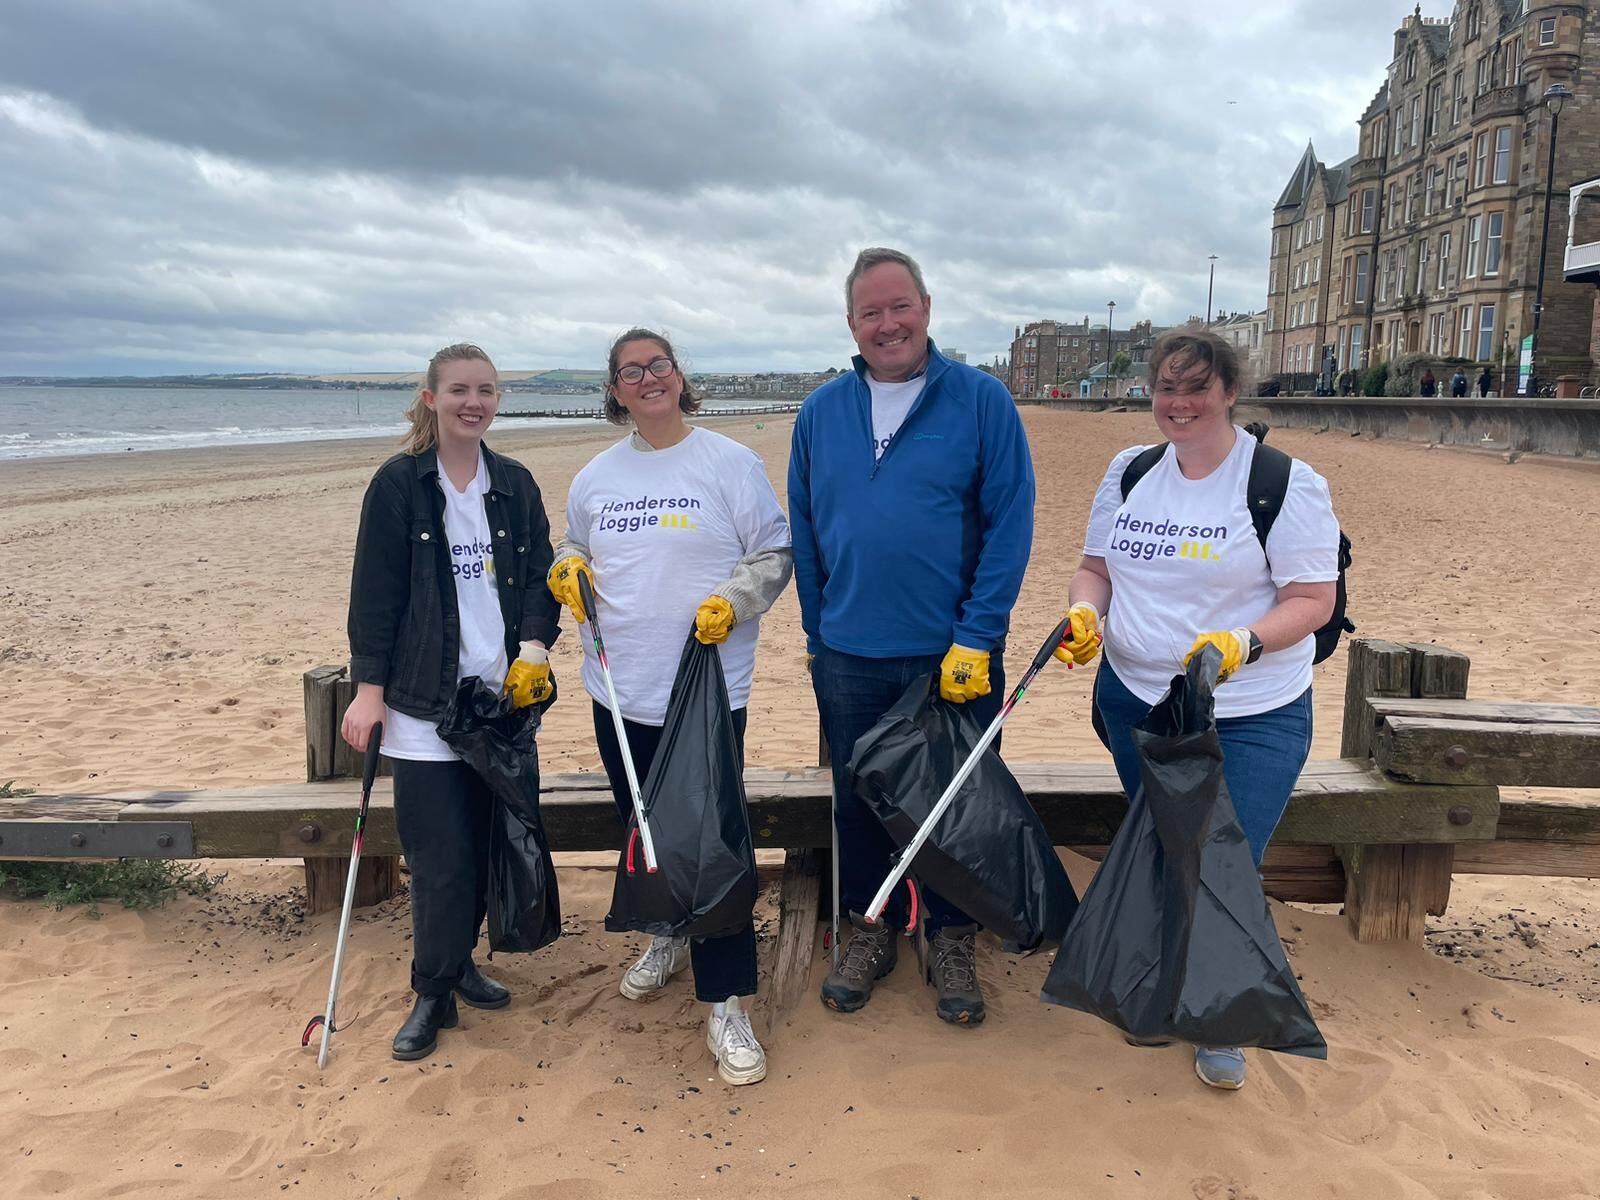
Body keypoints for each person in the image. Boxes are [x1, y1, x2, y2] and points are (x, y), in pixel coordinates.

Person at [1056, 328, 1338, 1090]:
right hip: (1134, 698)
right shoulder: (1131, 471)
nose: (1179, 404)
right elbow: (1093, 569)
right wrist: (1086, 615)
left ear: (1229, 392)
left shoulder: (1280, 480)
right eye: (1166, 389)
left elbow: (1313, 599)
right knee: (1164, 847)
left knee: (1223, 861)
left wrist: (1243, 643)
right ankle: (1164, 984)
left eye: (1197, 389)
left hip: (1248, 707)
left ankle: (1222, 1020)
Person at [789, 247, 1035, 1026]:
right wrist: (819, 632)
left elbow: (1009, 525)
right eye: (870, 312)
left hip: (952, 655)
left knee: (958, 802)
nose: (887, 323)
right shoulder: (820, 411)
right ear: (852, 322)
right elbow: (805, 529)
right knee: (860, 799)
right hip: (850, 653)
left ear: (926, 308)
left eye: (900, 307)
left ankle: (952, 935)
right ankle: (872, 929)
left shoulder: (981, 401)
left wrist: (979, 633)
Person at [546, 328, 792, 1087]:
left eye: (660, 365)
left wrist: (732, 599)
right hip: (619, 691)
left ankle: (727, 1004)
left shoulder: (728, 462)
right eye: (631, 372)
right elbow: (572, 548)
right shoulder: (594, 476)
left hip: (709, 694)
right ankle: (665, 934)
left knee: (712, 846)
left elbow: (775, 554)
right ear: (615, 391)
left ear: (680, 378)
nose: (648, 379)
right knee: (644, 832)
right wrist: (570, 567)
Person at [343, 343, 560, 1061]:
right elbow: (375, 596)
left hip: (498, 702)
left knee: (486, 840)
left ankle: (462, 961)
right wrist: (368, 692)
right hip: (421, 705)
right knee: (438, 855)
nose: (475, 401)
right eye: (460, 389)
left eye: (487, 390)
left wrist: (534, 647)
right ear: (431, 398)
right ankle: (432, 991)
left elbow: (538, 578)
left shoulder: (515, 484)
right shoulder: (400, 486)